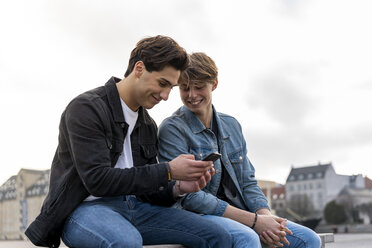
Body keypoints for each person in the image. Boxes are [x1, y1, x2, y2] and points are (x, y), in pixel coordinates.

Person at [25, 37, 232, 248]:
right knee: (126, 242)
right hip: (83, 210)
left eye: (171, 87)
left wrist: (178, 188)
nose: (166, 95)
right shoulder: (86, 109)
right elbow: (97, 180)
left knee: (219, 236)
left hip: (136, 208)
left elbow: (146, 188)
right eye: (162, 84)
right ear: (139, 68)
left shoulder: (148, 125)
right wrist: (168, 170)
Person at [158, 52, 322, 248]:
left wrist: (265, 217)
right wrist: (254, 222)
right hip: (198, 216)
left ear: (214, 84)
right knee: (247, 238)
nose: (192, 95)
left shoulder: (232, 125)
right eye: (185, 88)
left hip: (245, 214)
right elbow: (190, 197)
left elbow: (247, 181)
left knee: (310, 239)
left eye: (199, 87)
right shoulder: (172, 129)